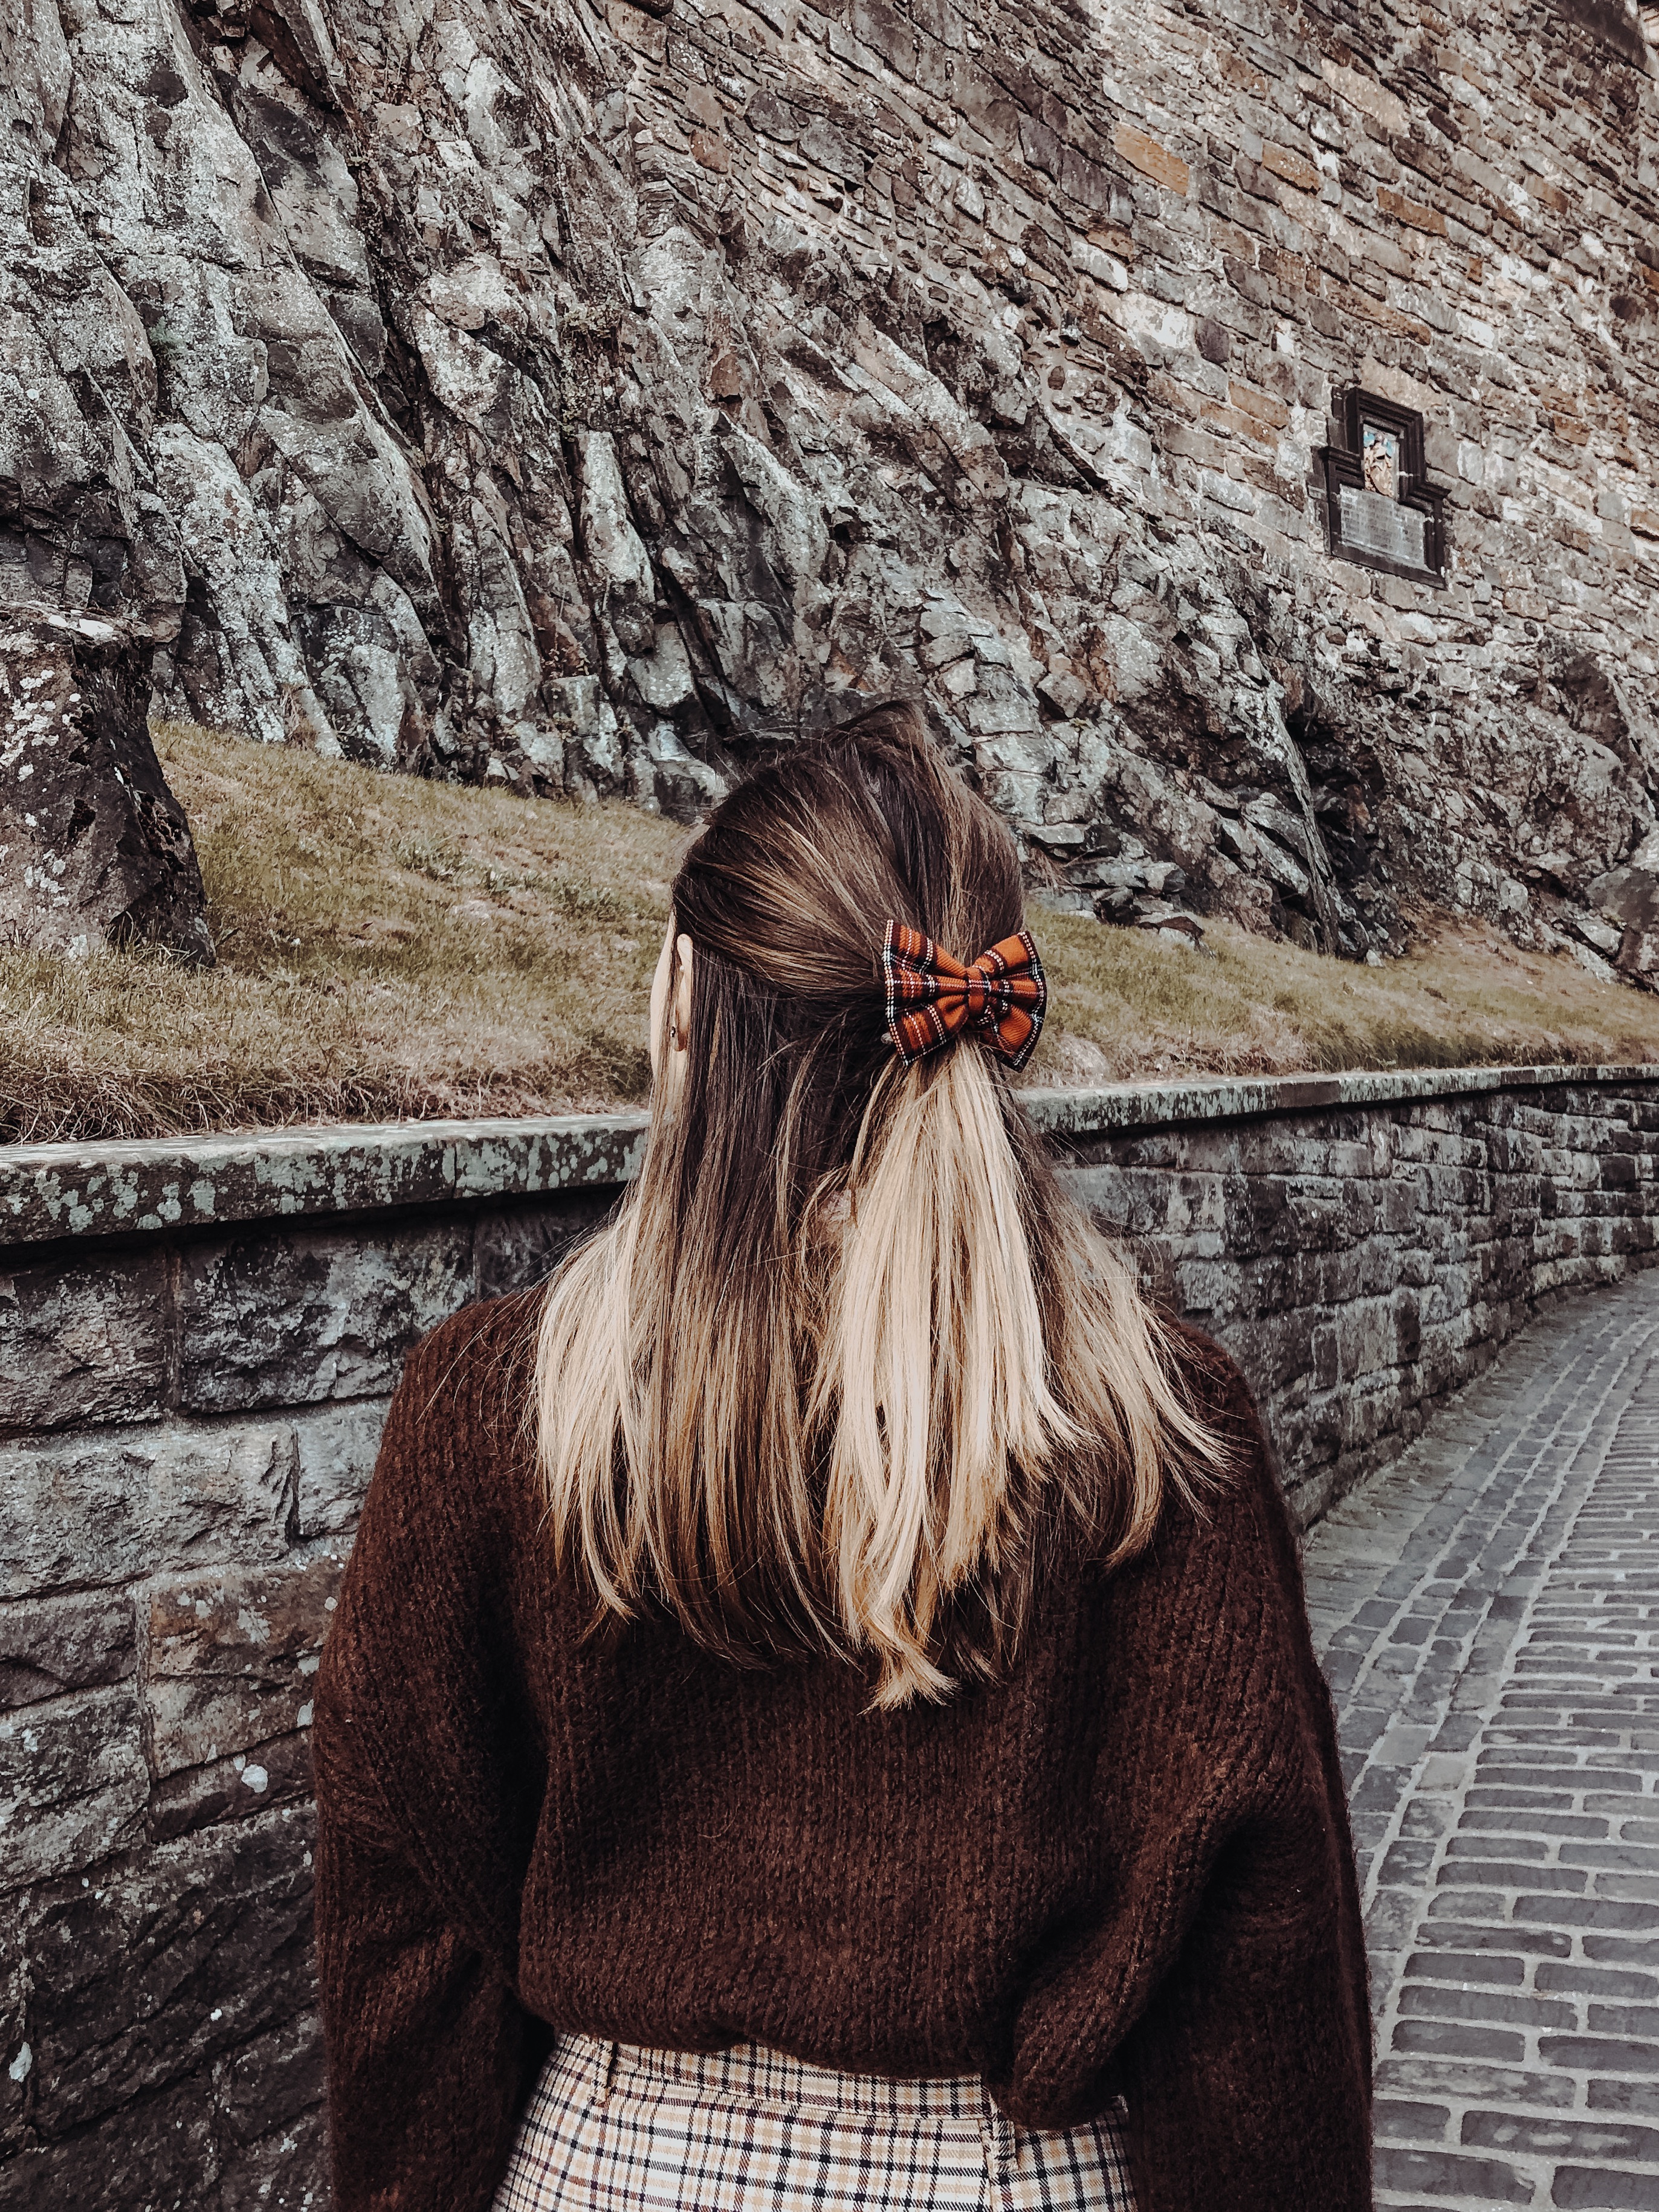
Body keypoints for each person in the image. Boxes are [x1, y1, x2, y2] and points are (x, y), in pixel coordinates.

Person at [312, 701, 1373, 2212]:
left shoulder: (496, 1407)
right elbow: (1258, 1980)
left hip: (614, 2169)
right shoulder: (1154, 1431)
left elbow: (406, 1919)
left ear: (686, 1009)